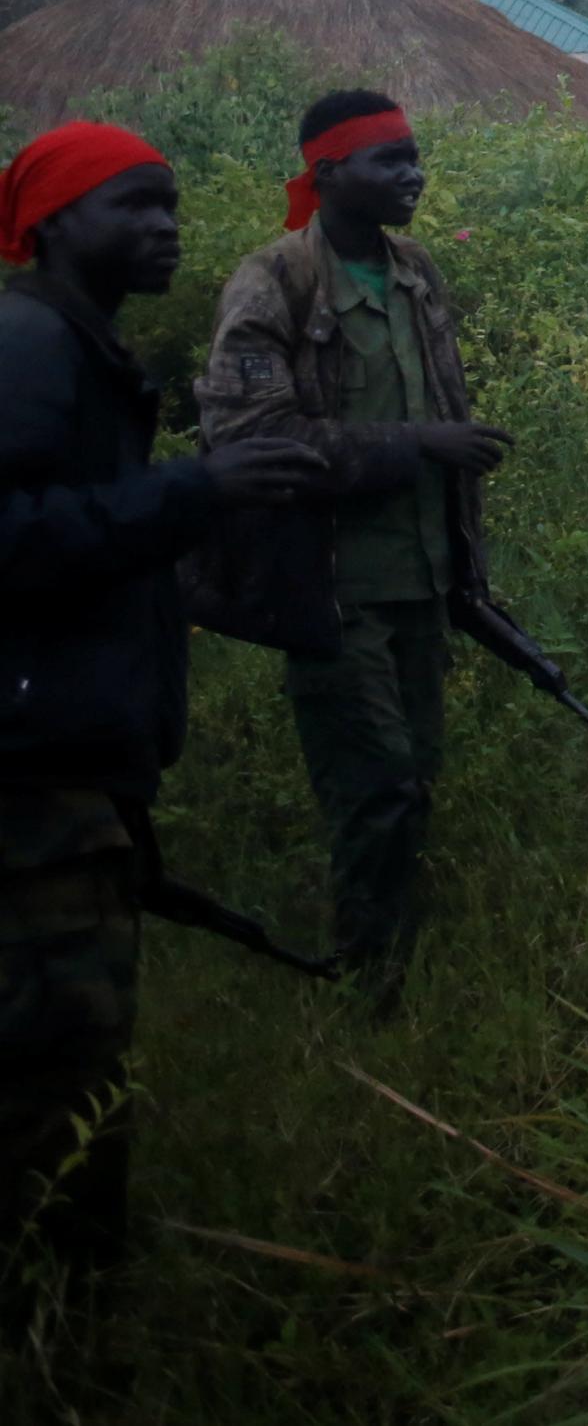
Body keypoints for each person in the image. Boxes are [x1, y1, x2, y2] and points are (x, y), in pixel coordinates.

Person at [2, 123, 322, 1288]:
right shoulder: (30, 343)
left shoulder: (76, 345)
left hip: (67, 763)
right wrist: (190, 492)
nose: (166, 228)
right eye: (134, 206)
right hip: (28, 781)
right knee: (52, 1065)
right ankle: (60, 1319)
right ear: (51, 225)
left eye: (172, 206)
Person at [195, 91, 511, 1000]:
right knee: (373, 785)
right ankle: (366, 982)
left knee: (415, 778)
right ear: (329, 174)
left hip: (424, 575)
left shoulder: (415, 271)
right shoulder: (275, 281)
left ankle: (400, 965)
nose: (413, 175)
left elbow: (438, 403)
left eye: (416, 157)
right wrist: (412, 446)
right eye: (390, 162)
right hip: (329, 585)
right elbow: (251, 438)